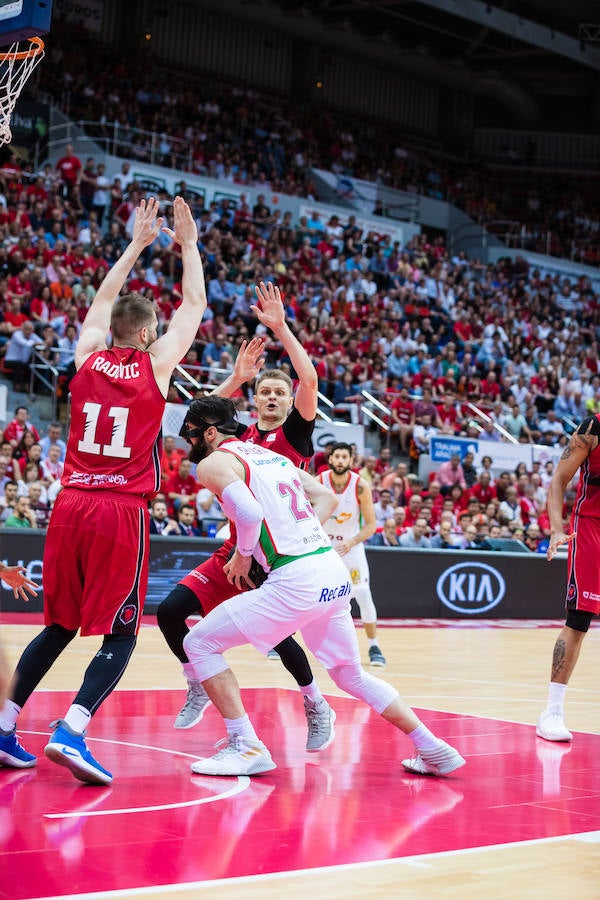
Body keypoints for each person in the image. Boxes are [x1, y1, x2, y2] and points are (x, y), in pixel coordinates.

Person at [0, 197, 207, 785]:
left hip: (69, 503)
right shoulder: (157, 365)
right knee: (120, 631)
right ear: (146, 333)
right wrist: (187, 244)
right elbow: (194, 305)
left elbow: (99, 301)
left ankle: (5, 726)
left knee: (58, 624)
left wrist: (136, 245)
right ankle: (71, 730)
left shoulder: (86, 354)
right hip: (120, 509)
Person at [180, 395, 465, 778]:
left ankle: (246, 746)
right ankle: (433, 748)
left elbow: (248, 513)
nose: (189, 443)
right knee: (351, 674)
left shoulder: (216, 462)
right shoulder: (274, 458)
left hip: (294, 577)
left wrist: (245, 553)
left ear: (210, 433)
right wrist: (298, 533)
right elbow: (327, 497)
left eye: (192, 435)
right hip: (329, 569)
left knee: (199, 643)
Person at [157, 282, 336, 753]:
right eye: (266, 392)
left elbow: (310, 381)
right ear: (255, 401)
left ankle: (315, 701)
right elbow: (194, 425)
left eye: (280, 391)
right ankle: (196, 679)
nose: (274, 397)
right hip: (236, 548)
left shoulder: (295, 438)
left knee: (279, 642)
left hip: (275, 555)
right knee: (171, 612)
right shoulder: (241, 435)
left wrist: (281, 328)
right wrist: (236, 376)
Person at [537, 416, 600, 743]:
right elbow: (559, 480)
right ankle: (552, 711)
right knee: (578, 620)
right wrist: (557, 529)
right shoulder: (592, 429)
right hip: (590, 527)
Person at [318, 443, 385, 667]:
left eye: (344, 457)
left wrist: (352, 541)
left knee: (363, 593)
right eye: (336, 456)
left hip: (351, 546)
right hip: (323, 548)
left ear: (350, 461)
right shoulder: (319, 481)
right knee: (308, 594)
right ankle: (283, 642)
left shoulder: (360, 486)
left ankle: (374, 646)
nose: (339, 460)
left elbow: (371, 525)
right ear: (330, 459)